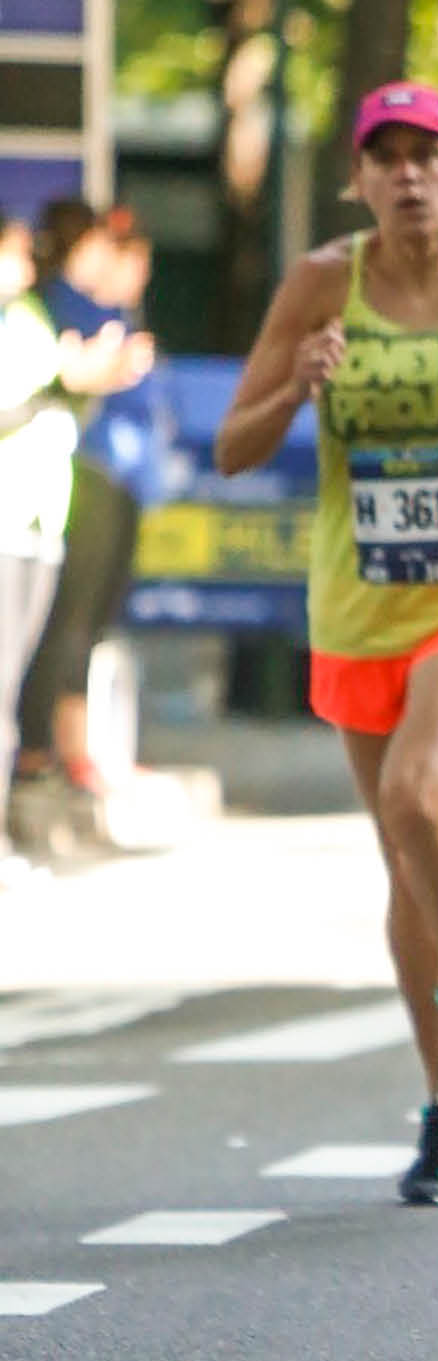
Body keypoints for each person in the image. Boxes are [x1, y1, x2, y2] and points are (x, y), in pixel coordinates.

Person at [216, 81, 438, 1206]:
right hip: (360, 604)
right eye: (386, 158)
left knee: (422, 795)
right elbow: (233, 442)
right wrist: (296, 388)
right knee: (405, 864)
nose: (409, 174)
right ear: (358, 181)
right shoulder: (327, 282)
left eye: (429, 154)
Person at [14, 204, 167, 848]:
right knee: (62, 630)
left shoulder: (91, 310)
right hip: (56, 496)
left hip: (75, 495)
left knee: (84, 624)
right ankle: (45, 760)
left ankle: (64, 758)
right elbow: (71, 376)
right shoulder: (48, 309)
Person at [0, 217, 94, 891]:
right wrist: (62, 381)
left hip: (36, 523)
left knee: (13, 683)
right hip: (7, 522)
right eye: (12, 251)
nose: (24, 262)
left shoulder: (27, 313)